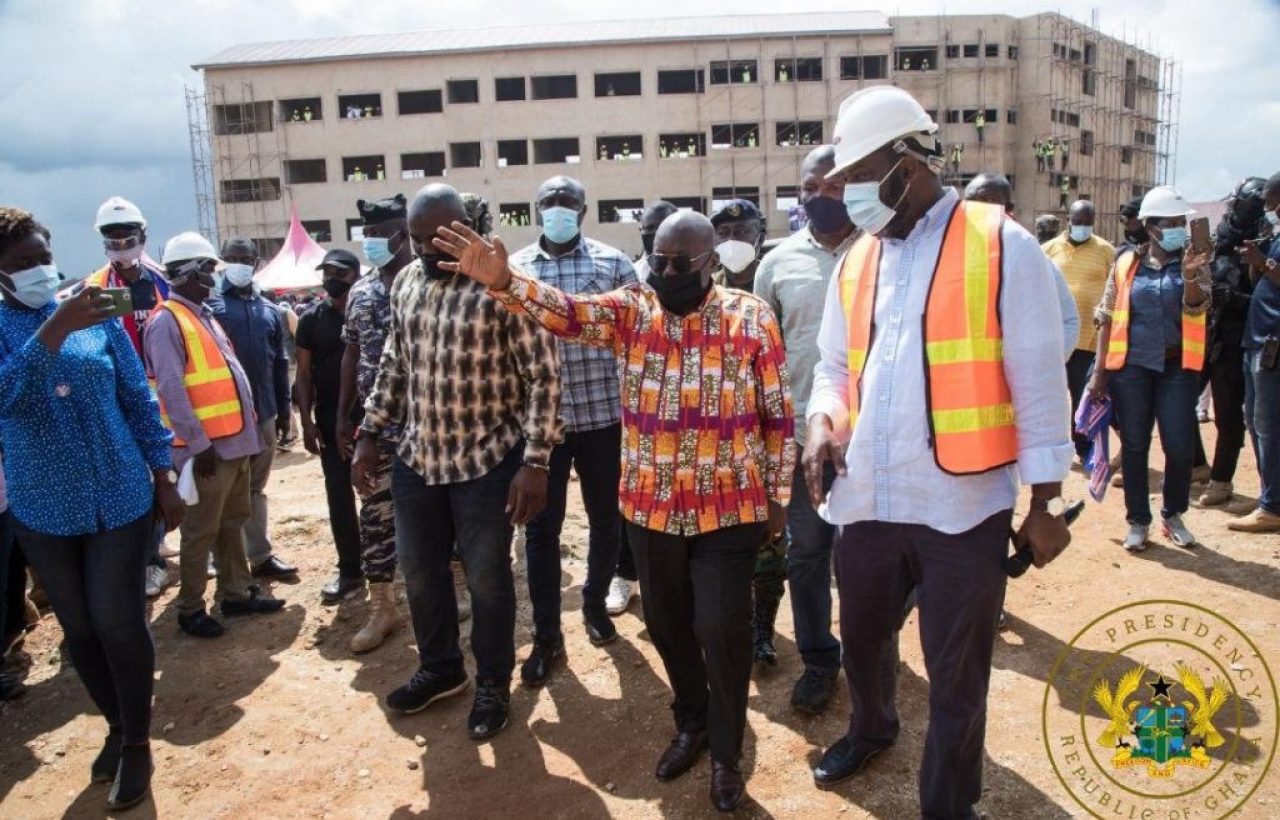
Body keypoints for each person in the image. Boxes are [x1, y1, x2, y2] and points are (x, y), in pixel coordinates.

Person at [435, 207, 794, 813]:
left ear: (711, 262)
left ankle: (728, 754)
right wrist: (504, 282)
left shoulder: (751, 316)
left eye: (682, 262)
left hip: (730, 504)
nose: (667, 269)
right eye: (658, 257)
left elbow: (777, 413)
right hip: (652, 506)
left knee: (723, 629)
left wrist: (778, 496)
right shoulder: (630, 309)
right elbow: (567, 313)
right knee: (665, 621)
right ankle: (693, 719)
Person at [804, 87, 1072, 819]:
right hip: (866, 500)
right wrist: (823, 419)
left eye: (858, 174)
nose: (847, 192)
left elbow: (1041, 378)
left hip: (963, 506)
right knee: (861, 642)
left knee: (957, 678)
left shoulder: (999, 243)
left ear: (905, 164)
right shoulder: (859, 259)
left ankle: (948, 803)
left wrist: (1045, 501)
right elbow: (833, 364)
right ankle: (872, 727)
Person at [354, 183, 561, 742]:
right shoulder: (407, 284)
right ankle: (442, 668)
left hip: (488, 460)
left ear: (469, 225)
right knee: (421, 574)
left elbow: (544, 376)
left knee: (488, 579)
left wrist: (535, 462)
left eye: (440, 238)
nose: (427, 250)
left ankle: (493, 681)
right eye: (418, 240)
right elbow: (396, 361)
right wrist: (371, 430)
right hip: (418, 459)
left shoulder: (505, 287)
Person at [0, 206, 183, 810]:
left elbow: (135, 392)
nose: (37, 270)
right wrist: (53, 329)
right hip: (44, 506)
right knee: (79, 627)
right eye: (20, 264)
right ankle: (114, 723)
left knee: (118, 619)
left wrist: (162, 473)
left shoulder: (98, 309)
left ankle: (136, 744)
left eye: (41, 257)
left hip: (121, 493)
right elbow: (9, 399)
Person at [508, 176, 637, 685]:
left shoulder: (613, 264)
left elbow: (636, 333)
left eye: (567, 202)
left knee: (608, 520)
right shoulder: (515, 270)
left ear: (583, 211)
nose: (558, 208)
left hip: (605, 418)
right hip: (543, 428)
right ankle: (546, 637)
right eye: (549, 202)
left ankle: (593, 604)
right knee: (541, 531)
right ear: (537, 209)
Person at [753, 145, 855, 714]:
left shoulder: (885, 252)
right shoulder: (778, 263)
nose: (822, 196)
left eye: (835, 185)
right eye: (811, 187)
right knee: (808, 555)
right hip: (798, 440)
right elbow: (760, 360)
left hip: (871, 439)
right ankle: (820, 659)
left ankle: (872, 648)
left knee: (872, 556)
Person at [144, 232, 286, 638]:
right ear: (187, 271)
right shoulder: (167, 321)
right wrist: (198, 445)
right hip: (209, 451)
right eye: (208, 268)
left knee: (232, 522)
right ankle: (190, 609)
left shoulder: (201, 314)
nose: (214, 276)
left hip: (234, 445)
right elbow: (170, 390)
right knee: (201, 531)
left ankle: (236, 594)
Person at [1088, 185, 1212, 551]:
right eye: (1170, 223)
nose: (1178, 229)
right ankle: (1137, 520)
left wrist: (1190, 275)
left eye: (1181, 222)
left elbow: (1199, 308)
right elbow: (1107, 316)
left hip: (1177, 368)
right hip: (1131, 370)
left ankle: (1172, 514)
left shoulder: (1196, 261)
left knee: (1179, 447)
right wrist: (1099, 373)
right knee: (1136, 446)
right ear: (1150, 226)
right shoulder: (1125, 263)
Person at [79, 196, 172, 598]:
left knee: (169, 469)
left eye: (126, 236)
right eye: (111, 238)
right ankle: (149, 559)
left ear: (142, 235)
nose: (120, 244)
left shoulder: (163, 280)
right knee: (138, 475)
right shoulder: (95, 286)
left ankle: (162, 538)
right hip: (120, 395)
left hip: (165, 391)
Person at [337, 195, 417, 653]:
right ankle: (383, 606)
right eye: (365, 234)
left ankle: (452, 589)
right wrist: (343, 415)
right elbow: (352, 352)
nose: (369, 242)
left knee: (439, 512)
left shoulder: (423, 283)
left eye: (377, 233)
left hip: (427, 424)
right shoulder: (363, 292)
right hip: (376, 427)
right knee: (375, 514)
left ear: (401, 233)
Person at [209, 237, 297, 580]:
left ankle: (260, 556)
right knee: (223, 494)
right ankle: (225, 564)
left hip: (264, 413)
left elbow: (279, 364)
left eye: (244, 258)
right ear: (222, 261)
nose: (238, 263)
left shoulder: (269, 311)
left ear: (257, 263)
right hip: (225, 420)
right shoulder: (211, 307)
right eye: (231, 258)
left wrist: (284, 414)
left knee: (255, 490)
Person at [297, 249, 365, 602]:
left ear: (355, 273)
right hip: (329, 423)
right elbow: (304, 374)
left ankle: (388, 563)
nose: (330, 279)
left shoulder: (370, 310)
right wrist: (306, 422)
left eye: (338, 272)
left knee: (383, 494)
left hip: (371, 419)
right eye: (326, 273)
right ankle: (350, 570)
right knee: (339, 496)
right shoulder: (311, 320)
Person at [1195, 178, 1265, 507]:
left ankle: (1221, 481)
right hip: (1207, 336)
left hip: (1238, 343)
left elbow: (1266, 301)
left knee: (1228, 416)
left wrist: (1234, 298)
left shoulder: (1263, 245)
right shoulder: (1221, 238)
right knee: (1180, 404)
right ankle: (1197, 465)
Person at [964, 174, 1080, 361]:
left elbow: (1069, 321)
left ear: (1008, 209)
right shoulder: (951, 256)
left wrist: (1043, 368)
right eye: (970, 203)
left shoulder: (1032, 256)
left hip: (1016, 384)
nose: (977, 210)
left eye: (987, 201)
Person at [1042, 200, 1118, 460]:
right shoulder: (1048, 250)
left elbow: (1115, 292)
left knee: (1082, 397)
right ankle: (1052, 449)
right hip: (1055, 338)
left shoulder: (1106, 251)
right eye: (1078, 222)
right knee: (1052, 398)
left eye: (1088, 223)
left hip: (1088, 340)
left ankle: (1084, 448)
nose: (1083, 227)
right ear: (1068, 222)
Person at [1231, 170, 1280, 532]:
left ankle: (1273, 505)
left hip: (1272, 343)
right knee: (1255, 420)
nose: (1267, 208)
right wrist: (1257, 261)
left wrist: (1262, 262)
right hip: (1257, 338)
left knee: (1268, 425)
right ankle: (1269, 494)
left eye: (1270, 202)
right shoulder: (1275, 236)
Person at [711, 199, 765, 293]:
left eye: (741, 232)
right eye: (723, 233)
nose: (731, 240)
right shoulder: (709, 288)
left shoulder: (775, 282)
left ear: (760, 239)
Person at [634, 200, 679, 280]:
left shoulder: (696, 269)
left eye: (663, 227)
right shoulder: (633, 274)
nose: (657, 233)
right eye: (650, 228)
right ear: (640, 230)